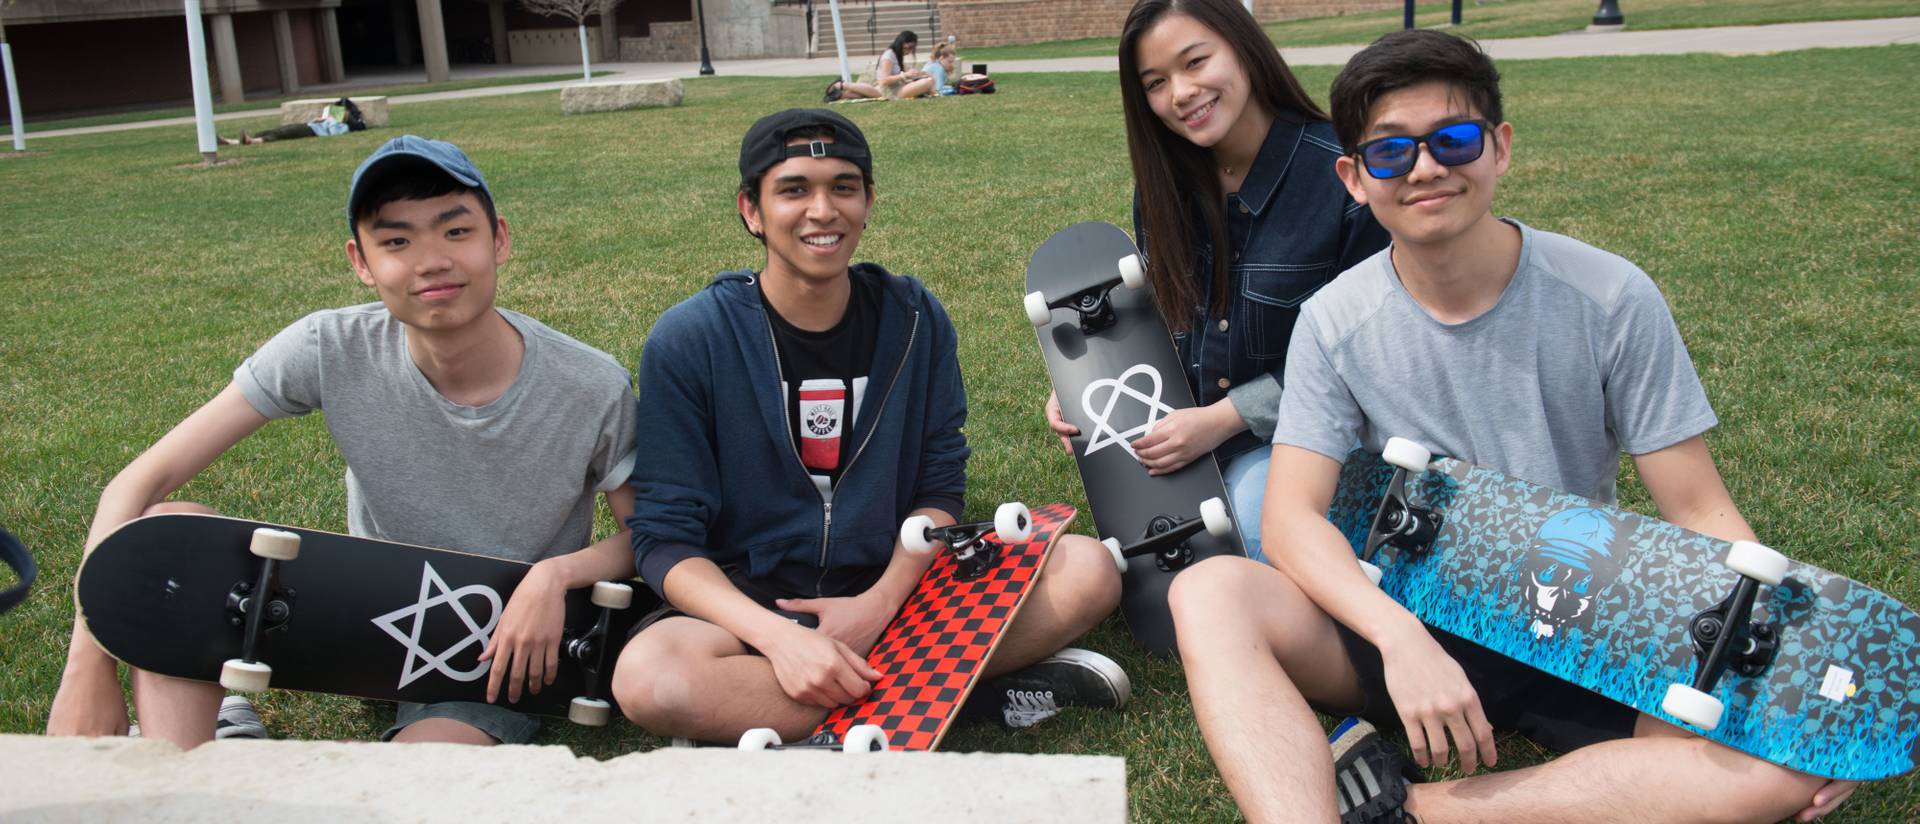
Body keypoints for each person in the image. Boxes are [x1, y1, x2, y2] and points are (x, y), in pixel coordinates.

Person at [1166, 30, 1856, 824]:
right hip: (1409, 610)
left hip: (1579, 620)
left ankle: (1408, 810)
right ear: (1354, 180)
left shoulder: (1610, 298)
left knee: (1776, 776)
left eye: (1451, 140)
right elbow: (1289, 522)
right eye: (1390, 154)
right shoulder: (1333, 321)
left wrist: (1788, 694)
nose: (1425, 169)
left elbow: (1700, 513)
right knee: (1213, 590)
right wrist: (1401, 639)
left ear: (1499, 149)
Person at [44, 135, 641, 750]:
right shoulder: (329, 347)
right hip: (358, 627)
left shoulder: (590, 384)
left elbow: (650, 536)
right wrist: (87, 666)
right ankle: (185, 764)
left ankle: (235, 739)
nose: (431, 260)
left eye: (455, 232)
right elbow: (138, 484)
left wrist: (554, 576)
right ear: (361, 262)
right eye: (397, 241)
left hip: (492, 656)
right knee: (170, 529)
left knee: (411, 785)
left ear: (501, 239)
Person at [609, 109, 1127, 744]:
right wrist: (777, 639)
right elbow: (664, 541)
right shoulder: (692, 338)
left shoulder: (913, 317)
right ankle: (961, 693)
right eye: (794, 189)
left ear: (868, 201)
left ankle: (805, 718)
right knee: (650, 678)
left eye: (843, 187)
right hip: (753, 610)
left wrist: (877, 605)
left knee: (1088, 569)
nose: (822, 210)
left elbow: (938, 490)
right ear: (751, 209)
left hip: (896, 594)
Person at [1044, 0, 1389, 563]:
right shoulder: (1165, 185)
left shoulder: (1341, 179)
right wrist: (1084, 380)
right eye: (1156, 82)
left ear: (1244, 47)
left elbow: (1364, 359)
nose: (1181, 93)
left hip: (1310, 433)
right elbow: (1164, 315)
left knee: (1257, 535)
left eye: (1196, 62)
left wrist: (1222, 421)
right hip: (1191, 427)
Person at [220, 97, 368, 146]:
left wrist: (331, 120)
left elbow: (334, 133)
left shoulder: (343, 128)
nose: (342, 113)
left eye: (344, 113)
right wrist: (324, 118)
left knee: (283, 133)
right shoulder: (335, 119)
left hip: (313, 132)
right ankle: (233, 142)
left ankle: (252, 141)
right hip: (309, 126)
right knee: (273, 131)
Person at [874, 30, 936, 100]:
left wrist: (918, 75)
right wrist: (905, 75)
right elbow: (884, 80)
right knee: (926, 82)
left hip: (898, 87)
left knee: (929, 79)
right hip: (891, 91)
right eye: (908, 48)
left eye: (912, 48)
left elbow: (903, 76)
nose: (909, 51)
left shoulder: (897, 55)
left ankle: (931, 92)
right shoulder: (889, 55)